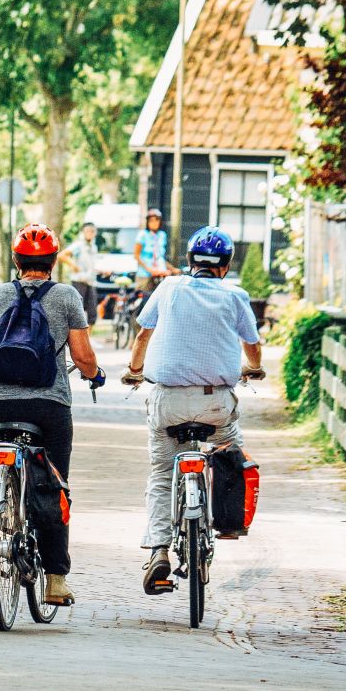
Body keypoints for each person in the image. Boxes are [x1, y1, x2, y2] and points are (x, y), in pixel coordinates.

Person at [0, 222, 104, 607]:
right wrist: (95, 375)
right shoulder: (67, 297)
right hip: (49, 406)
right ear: (53, 262)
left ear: (15, 260)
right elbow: (84, 357)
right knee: (57, 486)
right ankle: (55, 580)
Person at [120, 226, 265, 594]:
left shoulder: (168, 288)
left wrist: (135, 372)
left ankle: (158, 551)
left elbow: (142, 335)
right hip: (215, 403)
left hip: (167, 401)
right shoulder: (235, 295)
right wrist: (254, 368)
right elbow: (253, 344)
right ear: (226, 266)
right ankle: (229, 521)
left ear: (189, 261)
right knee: (231, 451)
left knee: (160, 474)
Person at [57, 221, 102, 334]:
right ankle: (76, 337)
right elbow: (62, 255)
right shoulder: (78, 245)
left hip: (91, 282)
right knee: (78, 311)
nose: (90, 233)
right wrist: (73, 265)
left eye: (92, 231)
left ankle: (88, 337)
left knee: (92, 313)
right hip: (79, 281)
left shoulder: (94, 247)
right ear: (83, 232)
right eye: (87, 231)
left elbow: (92, 265)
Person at [133, 208, 178, 292]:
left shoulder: (162, 235)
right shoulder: (142, 234)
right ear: (147, 222)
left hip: (160, 274)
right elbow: (136, 255)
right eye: (151, 220)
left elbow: (159, 257)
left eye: (156, 220)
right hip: (145, 275)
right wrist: (150, 270)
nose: (154, 223)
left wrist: (172, 269)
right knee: (143, 299)